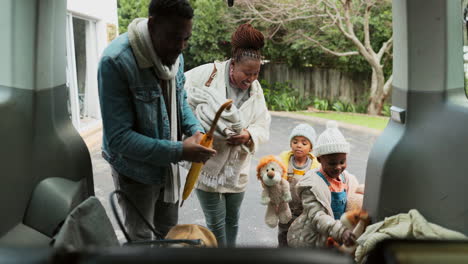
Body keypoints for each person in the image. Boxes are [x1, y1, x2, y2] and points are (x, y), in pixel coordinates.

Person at [97, 0, 216, 241]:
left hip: (167, 168)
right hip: (134, 172)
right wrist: (180, 150)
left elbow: (179, 100)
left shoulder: (175, 56)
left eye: (186, 39)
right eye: (174, 37)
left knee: (170, 236)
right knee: (140, 241)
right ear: (152, 26)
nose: (181, 47)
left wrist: (194, 130)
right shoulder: (116, 62)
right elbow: (119, 138)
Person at [184, 23, 271, 247]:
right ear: (233, 65)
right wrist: (194, 128)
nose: (251, 78)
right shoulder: (207, 74)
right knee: (215, 223)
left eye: (256, 73)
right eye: (247, 73)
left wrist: (248, 134)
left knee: (232, 221)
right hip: (208, 168)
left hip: (236, 169)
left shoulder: (256, 89)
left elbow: (263, 123)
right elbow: (178, 92)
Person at [287, 120, 359, 248]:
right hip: (314, 239)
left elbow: (355, 194)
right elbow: (317, 216)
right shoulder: (311, 185)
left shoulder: (345, 178)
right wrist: (341, 231)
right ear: (319, 159)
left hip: (336, 236)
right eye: (332, 163)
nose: (338, 167)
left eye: (342, 162)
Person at [277, 123, 320, 247]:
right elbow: (274, 184)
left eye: (304, 143)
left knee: (301, 241)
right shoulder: (283, 162)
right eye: (295, 141)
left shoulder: (315, 167)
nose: (298, 145)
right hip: (285, 210)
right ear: (291, 144)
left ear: (311, 148)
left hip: (304, 213)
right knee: (283, 240)